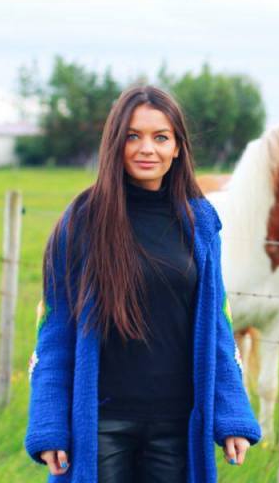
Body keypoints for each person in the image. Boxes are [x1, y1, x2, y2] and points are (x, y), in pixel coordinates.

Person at [24, 85, 261, 482]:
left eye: (160, 137)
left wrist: (232, 412)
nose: (146, 148)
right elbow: (55, 329)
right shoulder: (83, 220)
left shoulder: (200, 224)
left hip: (177, 424)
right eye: (133, 136)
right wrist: (49, 422)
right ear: (115, 144)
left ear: (178, 148)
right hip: (101, 424)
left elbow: (217, 324)